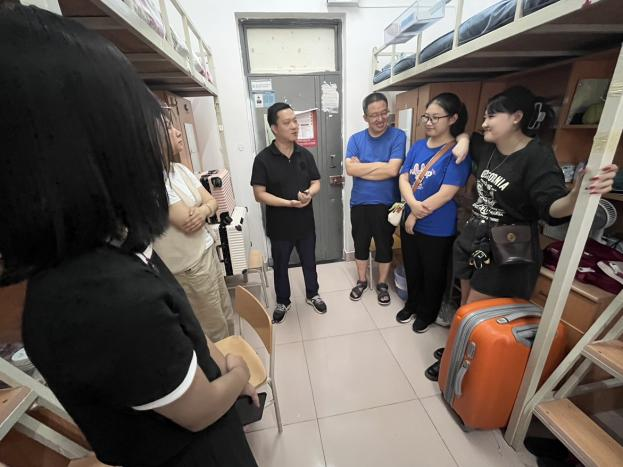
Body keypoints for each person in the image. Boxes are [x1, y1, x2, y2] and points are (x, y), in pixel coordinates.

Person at [0, 4, 258, 466]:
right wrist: (238, 371)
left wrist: (218, 358)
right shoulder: (100, 297)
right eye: (144, 126)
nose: (160, 141)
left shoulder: (115, 246)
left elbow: (185, 321)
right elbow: (198, 411)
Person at [424, 86, 617, 381]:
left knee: (474, 310)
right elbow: (465, 135)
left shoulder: (536, 157)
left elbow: (552, 208)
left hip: (505, 247)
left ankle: (456, 362)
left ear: (516, 117)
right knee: (466, 307)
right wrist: (462, 141)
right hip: (474, 240)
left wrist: (577, 195)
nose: (484, 123)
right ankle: (457, 347)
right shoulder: (487, 146)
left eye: (491, 116)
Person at [394, 93, 471, 333]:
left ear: (453, 119)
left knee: (433, 273)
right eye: (426, 117)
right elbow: (404, 177)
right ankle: (412, 304)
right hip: (410, 222)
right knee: (412, 267)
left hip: (437, 227)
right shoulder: (418, 146)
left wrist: (415, 213)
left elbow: (446, 193)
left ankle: (427, 313)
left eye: (435, 117)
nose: (429, 122)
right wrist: (411, 205)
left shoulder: (457, 153)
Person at [153, 118, 234, 342]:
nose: (178, 132)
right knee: (212, 327)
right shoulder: (152, 181)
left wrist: (203, 209)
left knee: (226, 312)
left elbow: (212, 201)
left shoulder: (179, 169)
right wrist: (205, 208)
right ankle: (223, 362)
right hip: (190, 267)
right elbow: (186, 222)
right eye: (169, 128)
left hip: (207, 252)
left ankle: (232, 351)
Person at [250, 102, 327, 324]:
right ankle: (283, 301)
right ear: (274, 128)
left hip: (305, 223)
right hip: (280, 226)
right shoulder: (263, 159)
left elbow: (316, 182)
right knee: (281, 266)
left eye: (295, 121)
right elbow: (259, 194)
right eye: (287, 122)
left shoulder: (305, 155)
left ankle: (313, 294)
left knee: (309, 261)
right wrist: (288, 203)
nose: (294, 126)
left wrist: (309, 194)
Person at [345, 93, 406, 305]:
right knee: (360, 243)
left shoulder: (398, 136)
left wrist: (363, 167)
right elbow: (350, 169)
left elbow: (392, 170)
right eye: (374, 115)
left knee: (384, 245)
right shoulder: (355, 139)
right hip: (359, 202)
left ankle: (382, 284)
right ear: (365, 117)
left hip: (390, 203)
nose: (380, 119)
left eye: (383, 113)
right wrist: (381, 165)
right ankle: (361, 281)